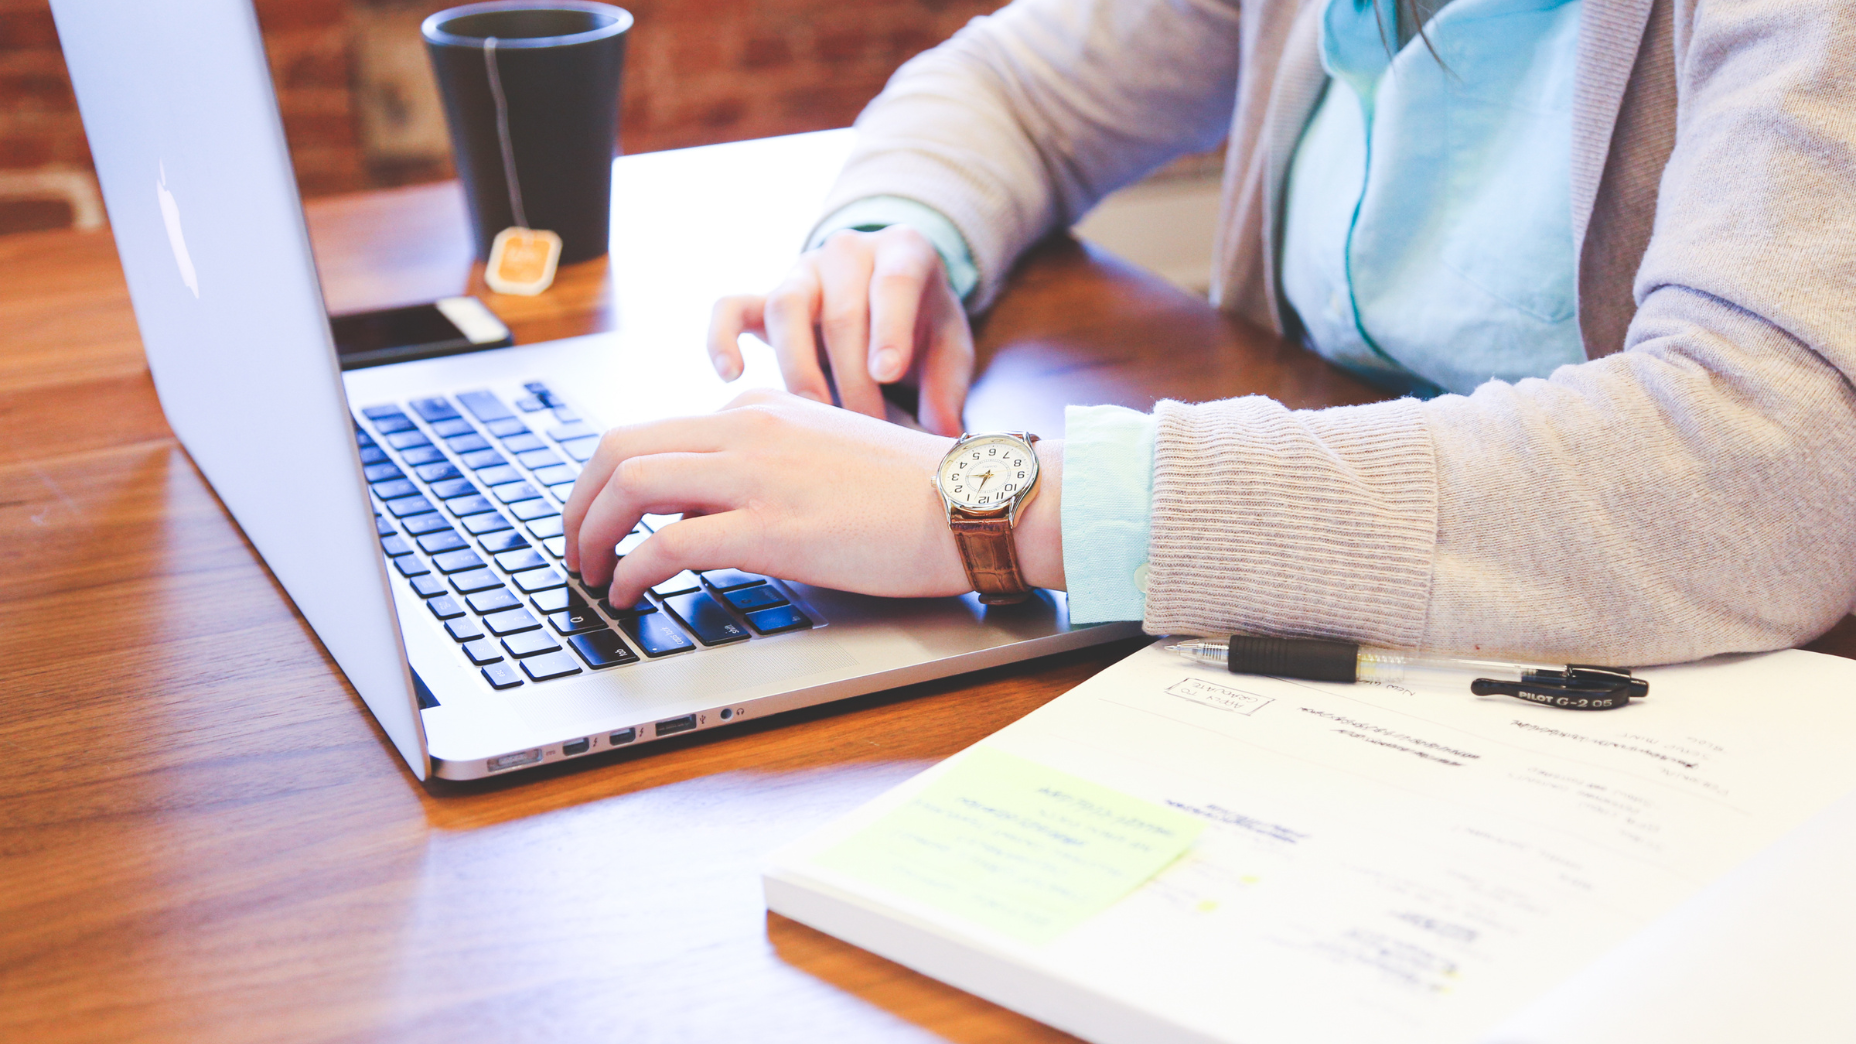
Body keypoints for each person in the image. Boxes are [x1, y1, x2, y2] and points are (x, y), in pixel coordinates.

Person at [563, 0, 1856, 665]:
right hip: (1333, 655)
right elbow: (1015, 85)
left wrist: (995, 507)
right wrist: (895, 236)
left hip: (1680, 706)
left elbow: (1770, 463)